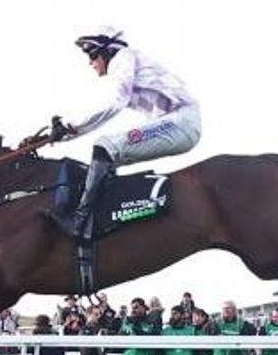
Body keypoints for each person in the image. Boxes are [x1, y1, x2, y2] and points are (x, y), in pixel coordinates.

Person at [39, 26, 201, 238]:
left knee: (106, 146)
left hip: (181, 121)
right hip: (178, 122)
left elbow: (113, 105)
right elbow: (102, 116)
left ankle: (78, 221)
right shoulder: (125, 64)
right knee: (107, 157)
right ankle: (111, 216)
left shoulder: (123, 58)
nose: (90, 62)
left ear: (107, 50)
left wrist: (68, 126)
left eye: (92, 54)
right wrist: (61, 135)